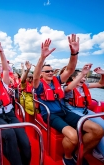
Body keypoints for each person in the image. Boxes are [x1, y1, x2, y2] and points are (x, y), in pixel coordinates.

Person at [33, 34, 104, 165]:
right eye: (47, 71)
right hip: (51, 115)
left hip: (64, 112)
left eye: (51, 71)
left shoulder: (58, 81)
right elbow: (36, 77)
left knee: (98, 130)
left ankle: (78, 154)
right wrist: (42, 58)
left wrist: (74, 53)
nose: (50, 73)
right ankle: (68, 157)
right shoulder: (39, 85)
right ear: (42, 73)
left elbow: (70, 69)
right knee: (73, 136)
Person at [64, 64, 104, 163]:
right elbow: (69, 88)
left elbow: (101, 84)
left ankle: (97, 152)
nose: (84, 78)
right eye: (82, 76)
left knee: (103, 125)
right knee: (96, 128)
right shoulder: (66, 87)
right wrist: (82, 74)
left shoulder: (85, 86)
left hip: (85, 110)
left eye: (86, 77)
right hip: (72, 111)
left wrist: (103, 74)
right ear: (73, 77)